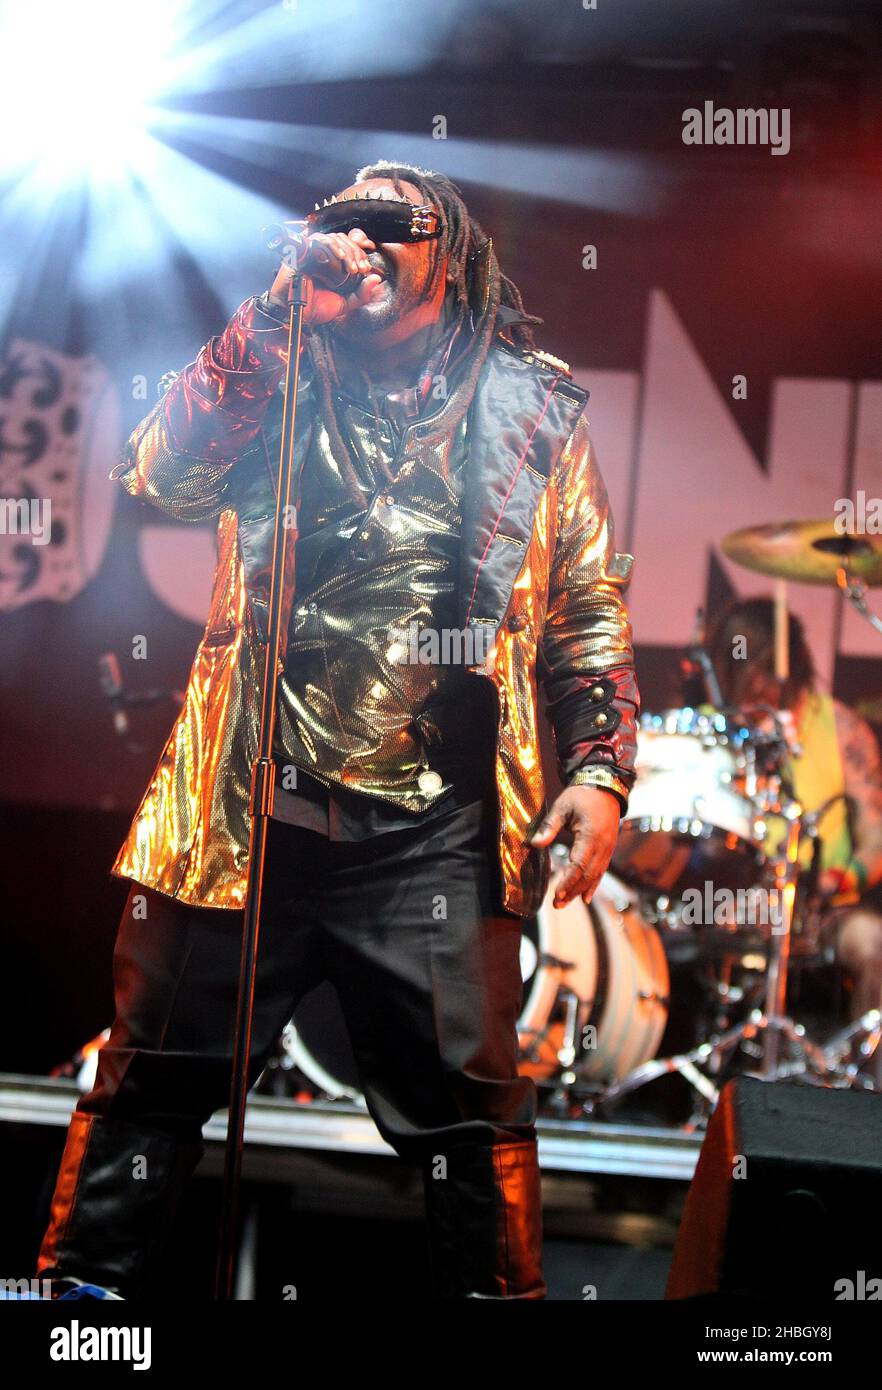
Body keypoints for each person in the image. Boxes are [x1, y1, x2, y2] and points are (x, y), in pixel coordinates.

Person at [35, 162, 639, 1300]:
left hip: (435, 828)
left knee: (472, 1116)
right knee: (147, 1083)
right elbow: (165, 475)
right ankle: (76, 1319)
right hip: (245, 810)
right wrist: (272, 318)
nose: (358, 241)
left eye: (389, 224)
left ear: (445, 255)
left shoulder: (528, 409)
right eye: (341, 220)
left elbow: (588, 607)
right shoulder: (277, 366)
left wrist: (602, 770)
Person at [705, 598, 882, 1055]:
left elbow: (876, 836)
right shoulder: (712, 728)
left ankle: (865, 1097)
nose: (753, 682)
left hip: (825, 909)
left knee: (873, 943)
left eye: (759, 668)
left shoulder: (841, 727)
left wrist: (840, 879)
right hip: (736, 904)